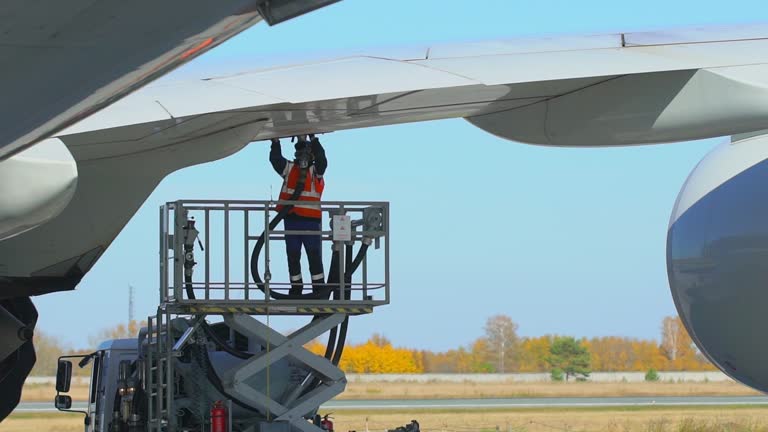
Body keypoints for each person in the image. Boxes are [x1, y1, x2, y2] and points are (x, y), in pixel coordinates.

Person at [270, 134, 327, 296]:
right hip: (292, 220)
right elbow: (275, 160)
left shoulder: (316, 172)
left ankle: (318, 289)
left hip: (309, 221)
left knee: (313, 255)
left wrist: (314, 140)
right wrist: (275, 142)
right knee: (293, 255)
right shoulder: (289, 169)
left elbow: (323, 160)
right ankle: (296, 288)